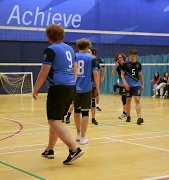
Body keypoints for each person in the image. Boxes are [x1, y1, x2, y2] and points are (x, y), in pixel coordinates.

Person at [32, 24, 84, 165]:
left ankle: (74, 149)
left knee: (53, 121)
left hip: (58, 88)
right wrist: (71, 83)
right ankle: (50, 149)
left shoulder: (50, 50)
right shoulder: (70, 49)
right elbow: (74, 70)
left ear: (48, 36)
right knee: (56, 120)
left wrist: (36, 88)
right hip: (70, 87)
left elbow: (44, 72)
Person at [73, 38, 99, 145]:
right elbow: (96, 74)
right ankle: (83, 137)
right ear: (88, 47)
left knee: (76, 111)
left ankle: (78, 133)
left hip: (74, 88)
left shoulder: (73, 56)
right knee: (85, 112)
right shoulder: (91, 58)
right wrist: (97, 88)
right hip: (86, 88)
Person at [121, 49, 144, 125]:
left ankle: (139, 118)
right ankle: (128, 116)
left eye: (134, 55)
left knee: (137, 100)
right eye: (131, 55)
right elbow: (122, 74)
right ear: (129, 55)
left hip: (136, 85)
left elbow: (140, 75)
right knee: (128, 101)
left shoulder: (138, 64)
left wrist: (142, 84)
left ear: (136, 56)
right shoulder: (126, 64)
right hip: (128, 85)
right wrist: (125, 83)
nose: (132, 56)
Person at [111, 53, 127, 119]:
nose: (119, 58)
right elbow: (112, 73)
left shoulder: (126, 65)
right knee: (123, 98)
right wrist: (115, 66)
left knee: (125, 98)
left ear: (123, 58)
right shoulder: (117, 66)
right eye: (118, 58)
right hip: (121, 84)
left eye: (120, 57)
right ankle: (125, 113)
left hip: (126, 83)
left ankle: (125, 113)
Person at [89, 48, 99, 125]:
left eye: (92, 53)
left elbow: (97, 74)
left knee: (93, 102)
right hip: (83, 86)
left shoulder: (94, 62)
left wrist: (97, 87)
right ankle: (67, 115)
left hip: (92, 85)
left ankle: (93, 118)